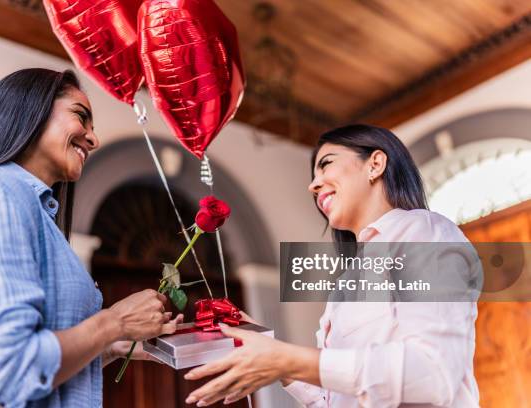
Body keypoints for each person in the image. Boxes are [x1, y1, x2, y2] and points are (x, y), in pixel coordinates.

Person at [0, 68, 181, 407]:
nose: (93, 139)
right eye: (81, 117)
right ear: (31, 109)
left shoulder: (26, 206)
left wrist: (109, 345)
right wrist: (114, 323)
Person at [184, 125, 479, 407]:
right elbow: (337, 399)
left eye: (326, 164)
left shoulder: (424, 232)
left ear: (375, 164)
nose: (312, 185)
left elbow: (433, 373)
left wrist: (287, 358)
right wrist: (272, 356)